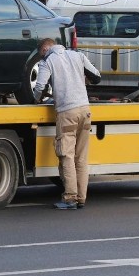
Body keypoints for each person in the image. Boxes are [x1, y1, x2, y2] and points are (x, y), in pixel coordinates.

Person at [32, 38, 101, 210]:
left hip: (67, 113)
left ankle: (70, 198)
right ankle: (82, 198)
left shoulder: (48, 61)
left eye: (42, 52)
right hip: (85, 110)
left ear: (46, 47)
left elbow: (40, 86)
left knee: (66, 156)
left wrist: (36, 100)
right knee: (81, 158)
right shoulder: (77, 55)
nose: (42, 56)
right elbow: (96, 76)